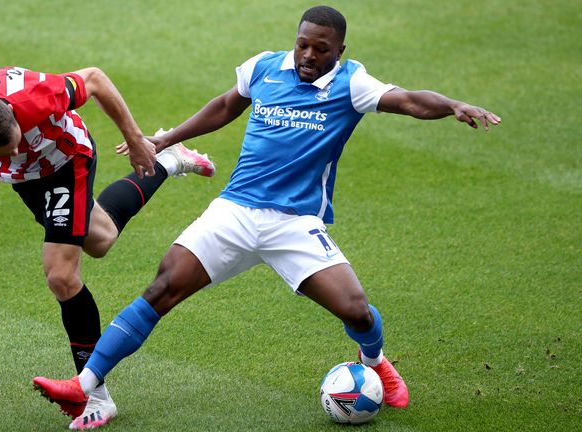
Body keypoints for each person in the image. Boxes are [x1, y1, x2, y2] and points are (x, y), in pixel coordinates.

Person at [32, 5, 502, 428]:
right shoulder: (263, 68)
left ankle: (376, 361)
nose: (309, 55)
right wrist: (165, 139)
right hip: (234, 211)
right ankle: (85, 384)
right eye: (303, 44)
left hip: (294, 223)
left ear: (340, 49)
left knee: (355, 309)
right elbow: (223, 107)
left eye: (322, 48)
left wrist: (452, 106)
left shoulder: (352, 82)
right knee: (162, 287)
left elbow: (409, 100)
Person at [0, 66, 216, 429]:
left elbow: (95, 78)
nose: (17, 148)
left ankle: (94, 397)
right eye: (6, 149)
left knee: (61, 276)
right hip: (26, 177)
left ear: (13, 113)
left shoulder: (36, 96)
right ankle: (171, 159)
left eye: (17, 139)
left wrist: (136, 140)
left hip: (67, 155)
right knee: (101, 239)